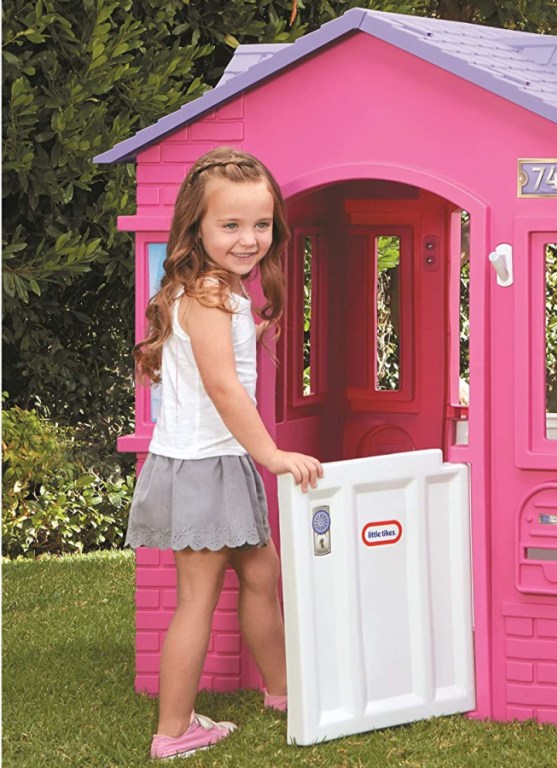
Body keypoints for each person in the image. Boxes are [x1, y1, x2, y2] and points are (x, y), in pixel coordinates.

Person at [125, 147, 323, 759]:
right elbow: (221, 386)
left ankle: (285, 691)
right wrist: (272, 454)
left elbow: (211, 362)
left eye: (261, 224)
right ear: (197, 228)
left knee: (261, 574)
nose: (249, 239)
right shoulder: (211, 298)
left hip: (212, 462)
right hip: (206, 465)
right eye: (230, 226)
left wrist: (253, 333)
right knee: (197, 600)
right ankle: (174, 731)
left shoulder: (215, 295)